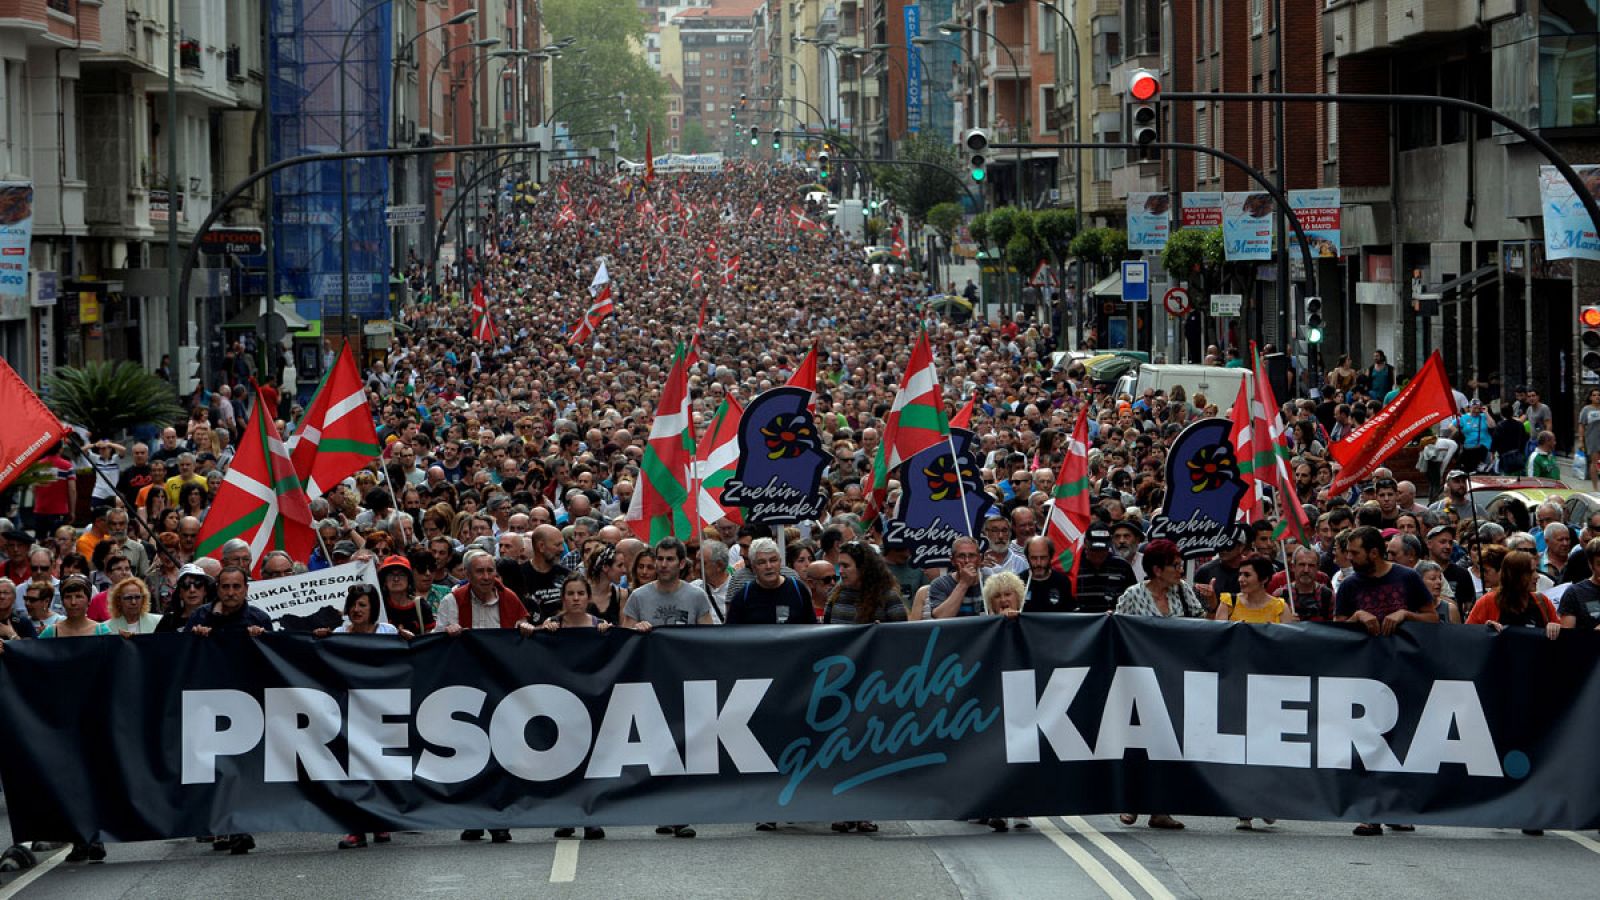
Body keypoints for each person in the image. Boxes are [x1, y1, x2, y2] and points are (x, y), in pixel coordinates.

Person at [620, 537, 707, 840]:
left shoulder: (696, 596)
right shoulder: (639, 597)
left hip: (685, 683)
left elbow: (709, 638)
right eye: (660, 558)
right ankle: (664, 808)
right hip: (650, 685)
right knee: (658, 750)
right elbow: (623, 638)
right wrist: (637, 630)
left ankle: (680, 813)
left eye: (670, 559)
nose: (663, 564)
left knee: (684, 747)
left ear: (682, 563)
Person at [1113, 540, 1202, 831]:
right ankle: (1131, 800)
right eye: (1174, 566)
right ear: (1156, 569)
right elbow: (1116, 631)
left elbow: (1202, 626)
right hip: (1139, 680)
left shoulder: (1184, 592)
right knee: (1138, 744)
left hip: (1175, 679)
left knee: (1168, 743)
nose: (1179, 571)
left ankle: (1161, 808)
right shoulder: (1133, 595)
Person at [822, 541, 904, 834]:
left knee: (867, 750)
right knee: (841, 750)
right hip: (841, 687)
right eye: (839, 565)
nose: (840, 571)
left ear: (864, 568)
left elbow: (904, 641)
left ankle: (866, 811)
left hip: (875, 688)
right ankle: (844, 810)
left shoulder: (888, 598)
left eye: (845, 566)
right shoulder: (837, 595)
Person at [529, 574, 612, 843]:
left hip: (592, 703)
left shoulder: (601, 625)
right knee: (562, 762)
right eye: (571, 593)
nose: (576, 598)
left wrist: (608, 634)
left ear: (588, 597)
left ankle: (592, 818)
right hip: (560, 704)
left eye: (580, 593)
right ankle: (565, 817)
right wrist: (537, 631)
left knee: (591, 762)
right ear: (563, 598)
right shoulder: (552, 625)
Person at [319, 585, 399, 849]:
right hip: (348, 711)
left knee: (380, 767)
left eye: (362, 605)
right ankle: (356, 827)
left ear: (373, 608)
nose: (356, 610)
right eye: (353, 604)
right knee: (352, 769)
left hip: (382, 709)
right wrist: (319, 640)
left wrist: (409, 639)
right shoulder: (338, 634)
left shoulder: (389, 633)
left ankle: (381, 822)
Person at [1465, 549, 1561, 640]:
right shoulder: (1487, 602)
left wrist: (1555, 626)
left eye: (1536, 570)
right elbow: (1466, 636)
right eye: (1530, 572)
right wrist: (1484, 630)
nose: (1537, 576)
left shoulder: (1542, 601)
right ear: (1515, 575)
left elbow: (1561, 638)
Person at [725, 538, 818, 625]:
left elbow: (812, 628)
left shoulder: (798, 590)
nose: (768, 566)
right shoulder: (743, 596)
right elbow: (732, 635)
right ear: (753, 567)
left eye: (773, 560)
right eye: (762, 562)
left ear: (780, 562)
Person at [1213, 556, 1297, 624]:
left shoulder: (1281, 607)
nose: (1240, 579)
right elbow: (1220, 638)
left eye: (1247, 575)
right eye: (1240, 574)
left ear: (1264, 579)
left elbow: (1286, 641)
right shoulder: (1228, 603)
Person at [1075, 525, 1137, 613]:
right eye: (1094, 549)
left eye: (1103, 550)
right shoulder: (1074, 566)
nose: (1098, 554)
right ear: (1085, 543)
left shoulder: (1122, 566)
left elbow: (1133, 600)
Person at [926, 536, 987, 618]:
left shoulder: (990, 582)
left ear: (980, 559)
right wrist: (964, 583)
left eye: (972, 555)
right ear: (952, 560)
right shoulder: (940, 584)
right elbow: (940, 618)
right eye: (961, 556)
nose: (967, 561)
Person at [39, 576, 114, 639]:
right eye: (68, 597)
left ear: (89, 601)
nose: (73, 602)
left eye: (79, 597)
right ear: (62, 601)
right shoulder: (51, 632)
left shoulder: (102, 631)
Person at [1020, 536, 1078, 611]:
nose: (1038, 563)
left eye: (1043, 558)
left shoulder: (1062, 582)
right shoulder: (1019, 582)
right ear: (1027, 557)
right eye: (1034, 558)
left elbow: (1069, 614)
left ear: (1051, 557)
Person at [376, 555, 429, 637]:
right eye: (391, 575)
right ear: (384, 581)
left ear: (409, 579)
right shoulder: (378, 606)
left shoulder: (421, 606)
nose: (396, 579)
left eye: (401, 574)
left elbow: (430, 639)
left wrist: (413, 640)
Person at [1583, 388, 1600, 491]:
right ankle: (1595, 488)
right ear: (1590, 398)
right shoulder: (1586, 409)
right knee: (1594, 462)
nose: (1597, 397)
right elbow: (1581, 425)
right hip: (1592, 439)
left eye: (1598, 395)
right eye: (1594, 395)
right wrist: (1581, 440)